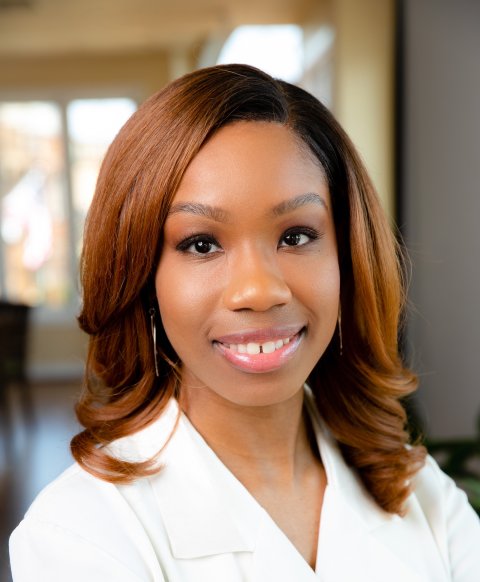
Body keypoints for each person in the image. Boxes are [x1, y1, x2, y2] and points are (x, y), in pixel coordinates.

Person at [9, 64, 480, 581]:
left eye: (297, 235)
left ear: (347, 255)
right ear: (141, 278)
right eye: (201, 244)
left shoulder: (420, 490)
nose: (260, 290)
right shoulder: (80, 535)